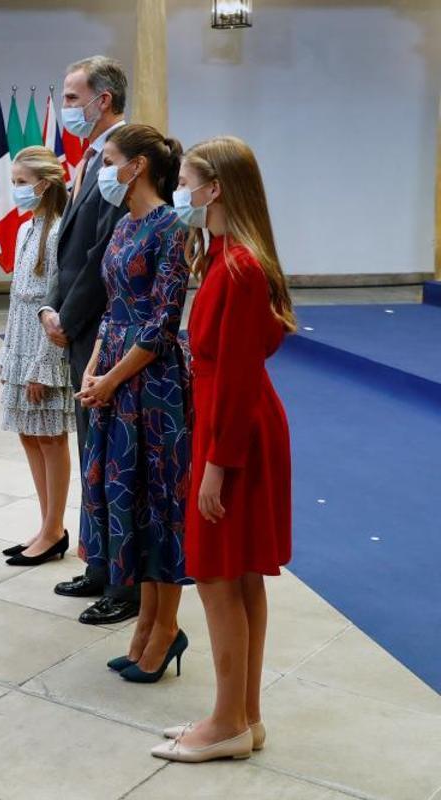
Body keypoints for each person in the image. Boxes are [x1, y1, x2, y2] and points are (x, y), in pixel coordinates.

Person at [153, 136, 294, 763]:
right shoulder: (225, 255)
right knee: (239, 576)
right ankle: (243, 715)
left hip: (233, 429)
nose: (179, 192)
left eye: (185, 181)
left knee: (216, 575)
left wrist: (214, 467)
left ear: (215, 189)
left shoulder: (236, 267)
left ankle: (227, 722)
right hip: (232, 422)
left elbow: (234, 378)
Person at [77, 124, 191, 684]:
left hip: (152, 381)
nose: (103, 168)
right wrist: (94, 366)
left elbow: (161, 323)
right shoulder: (124, 224)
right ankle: (145, 624)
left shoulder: (171, 227)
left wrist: (112, 378)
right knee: (131, 502)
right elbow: (113, 306)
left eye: (111, 159)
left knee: (158, 502)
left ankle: (165, 627)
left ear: (139, 165)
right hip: (116, 377)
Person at [41, 55, 137, 625]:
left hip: (103, 330)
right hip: (77, 323)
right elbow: (69, 246)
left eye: (72, 99)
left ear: (103, 100)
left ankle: (123, 580)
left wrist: (69, 317)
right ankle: (99, 563)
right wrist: (54, 305)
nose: (65, 108)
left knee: (110, 456)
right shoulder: (90, 159)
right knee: (91, 454)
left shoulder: (122, 160)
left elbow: (104, 252)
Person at [0, 146, 76, 567]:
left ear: (44, 185)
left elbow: (54, 300)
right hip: (21, 337)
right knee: (29, 433)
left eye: (22, 183)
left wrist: (42, 364)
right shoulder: (26, 229)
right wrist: (8, 352)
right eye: (14, 183)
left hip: (45, 342)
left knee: (50, 435)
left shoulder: (61, 229)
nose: (16, 191)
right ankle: (46, 524)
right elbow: (16, 298)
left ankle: (54, 528)